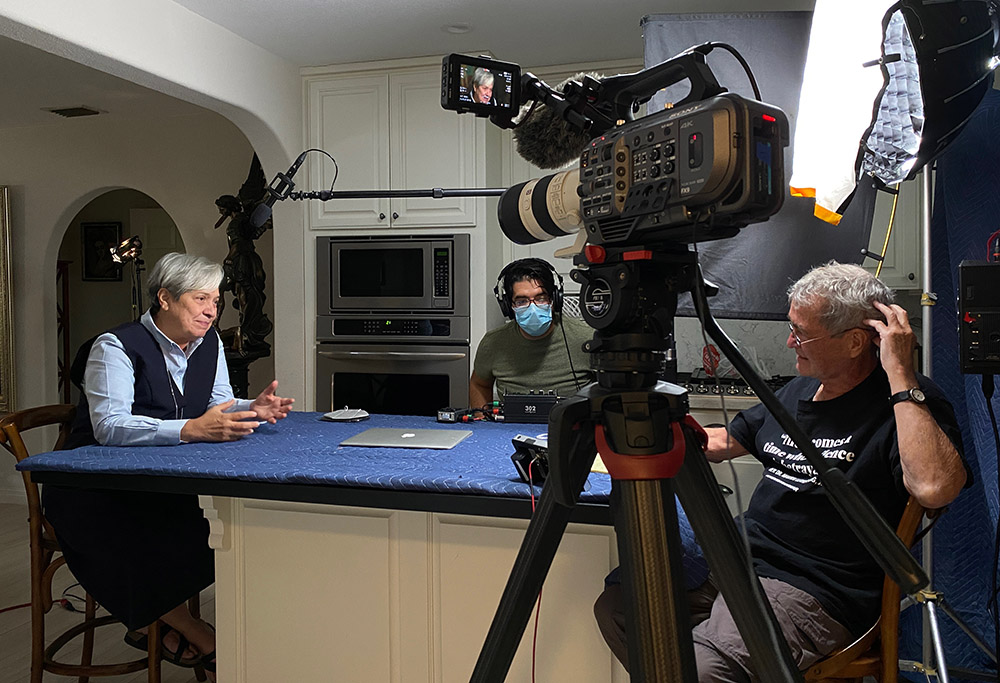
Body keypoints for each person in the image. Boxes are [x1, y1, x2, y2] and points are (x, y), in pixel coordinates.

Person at [593, 261, 969, 681]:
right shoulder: (802, 386)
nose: (790, 342)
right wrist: (642, 422)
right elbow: (724, 442)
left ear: (856, 342)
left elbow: (934, 488)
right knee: (620, 606)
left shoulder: (910, 404)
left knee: (700, 669)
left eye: (802, 333)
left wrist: (900, 375)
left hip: (815, 589)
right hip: (737, 559)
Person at [44, 252, 294, 679]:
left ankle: (150, 623)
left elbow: (218, 403)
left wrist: (254, 408)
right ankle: (194, 630)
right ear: (165, 298)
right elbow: (109, 427)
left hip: (161, 477)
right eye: (201, 299)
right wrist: (191, 430)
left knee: (222, 526)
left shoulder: (209, 342)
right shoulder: (115, 346)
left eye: (216, 301)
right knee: (145, 532)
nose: (212, 311)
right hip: (89, 482)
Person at [469, 257, 593, 408]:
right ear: (508, 306)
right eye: (522, 301)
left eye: (541, 298)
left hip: (570, 428)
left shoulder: (586, 339)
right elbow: (479, 384)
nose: (532, 307)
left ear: (554, 299)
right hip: (510, 430)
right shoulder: (493, 343)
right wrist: (482, 420)